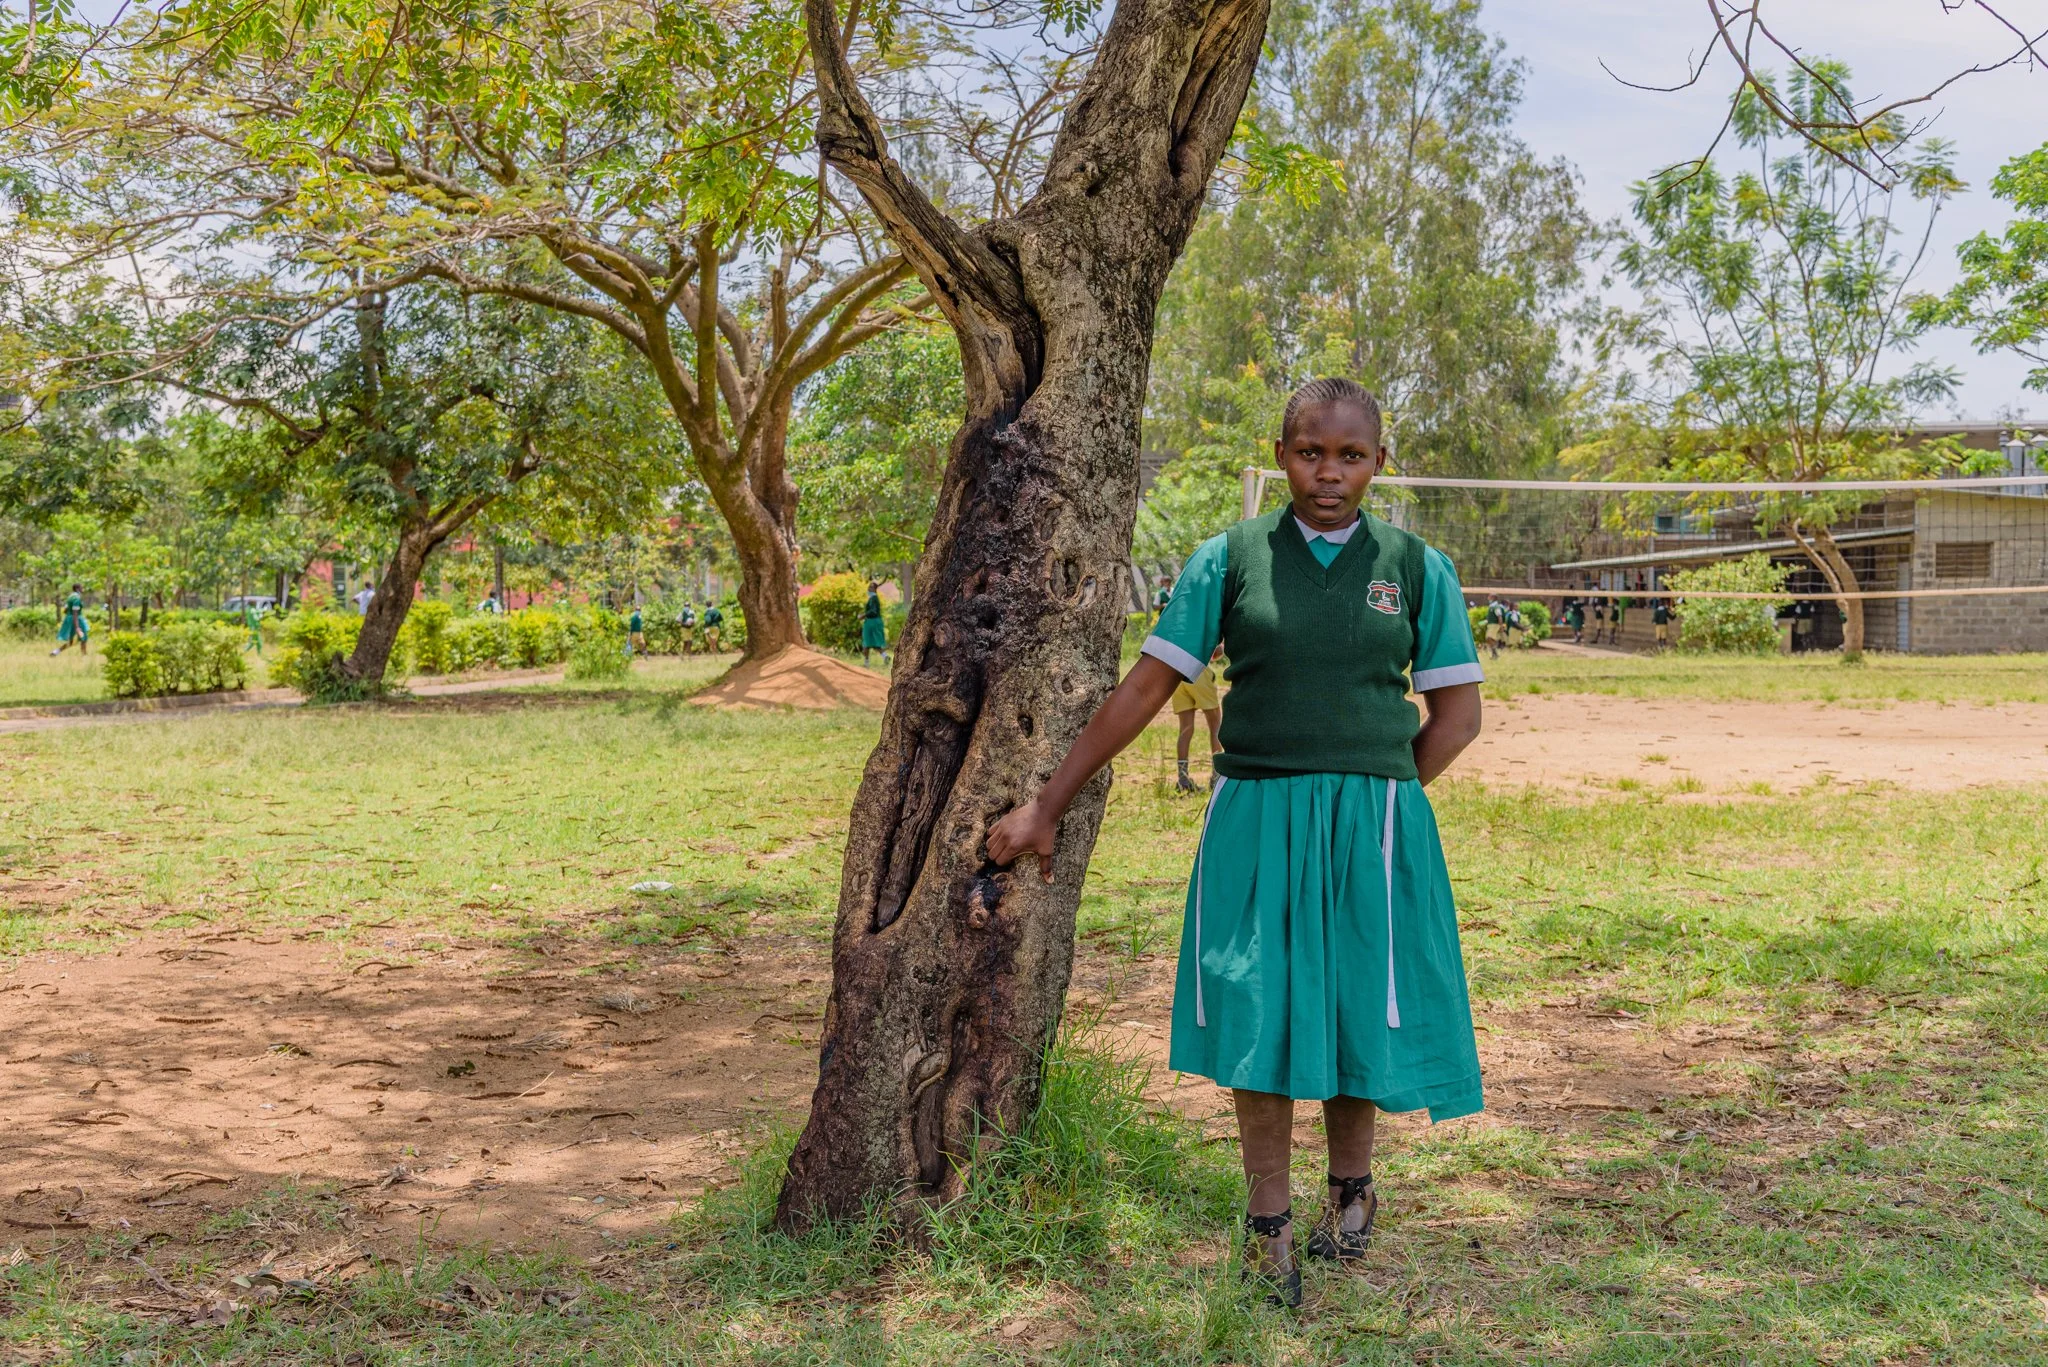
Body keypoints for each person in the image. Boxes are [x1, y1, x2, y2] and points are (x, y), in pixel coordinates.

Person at [987, 378, 1485, 1309]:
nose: (1327, 472)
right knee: (1259, 1009)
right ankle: (1267, 1225)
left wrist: (1380, 797)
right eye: (1307, 450)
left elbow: (1457, 717)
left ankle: (1352, 1190)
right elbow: (1143, 690)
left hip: (1374, 826)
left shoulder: (1418, 568)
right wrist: (1046, 804)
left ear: (1379, 460)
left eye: (1349, 454)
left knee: (1348, 1008)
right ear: (1282, 452)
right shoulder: (1230, 560)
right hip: (1254, 814)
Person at [1171, 644, 1224, 794]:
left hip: (1178, 674)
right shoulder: (1209, 621)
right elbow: (1216, 652)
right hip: (1199, 671)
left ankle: (1183, 779)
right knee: (1215, 726)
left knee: (1185, 729)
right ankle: (1216, 777)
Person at [860, 580, 891, 667]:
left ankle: (866, 663)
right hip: (875, 622)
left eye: (871, 587)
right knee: (874, 643)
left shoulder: (873, 598)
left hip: (871, 623)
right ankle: (885, 656)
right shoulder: (873, 598)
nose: (869, 589)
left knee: (867, 643)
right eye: (869, 587)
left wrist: (863, 615)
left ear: (874, 589)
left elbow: (873, 611)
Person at [51, 584, 89, 655]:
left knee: (71, 641)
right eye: (81, 588)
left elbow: (65, 610)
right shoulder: (76, 599)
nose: (83, 589)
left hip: (70, 619)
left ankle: (56, 652)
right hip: (77, 620)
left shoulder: (70, 597)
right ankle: (84, 656)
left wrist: (70, 616)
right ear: (77, 589)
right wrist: (77, 627)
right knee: (83, 638)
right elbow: (75, 612)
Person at [1483, 595, 1507, 659]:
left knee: (1489, 638)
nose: (1488, 598)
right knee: (1489, 639)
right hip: (1491, 625)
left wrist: (1501, 626)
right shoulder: (1492, 606)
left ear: (1493, 598)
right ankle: (1494, 654)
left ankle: (1495, 654)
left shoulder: (1496, 607)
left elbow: (1499, 616)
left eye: (1489, 597)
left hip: (1494, 625)